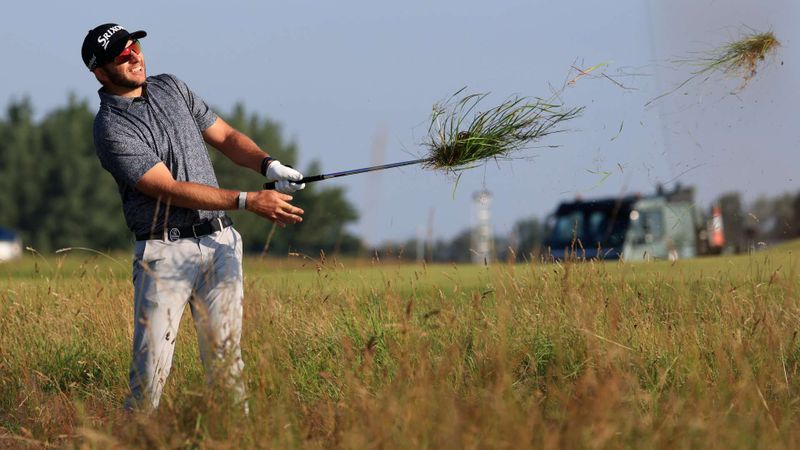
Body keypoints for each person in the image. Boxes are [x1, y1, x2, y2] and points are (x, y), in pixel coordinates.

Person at [81, 23, 306, 412]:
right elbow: (167, 188)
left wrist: (268, 165)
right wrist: (248, 200)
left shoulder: (171, 86)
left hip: (220, 244)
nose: (134, 56)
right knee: (149, 376)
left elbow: (226, 137)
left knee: (227, 369)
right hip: (164, 252)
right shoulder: (110, 128)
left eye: (134, 46)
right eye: (121, 55)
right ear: (101, 72)